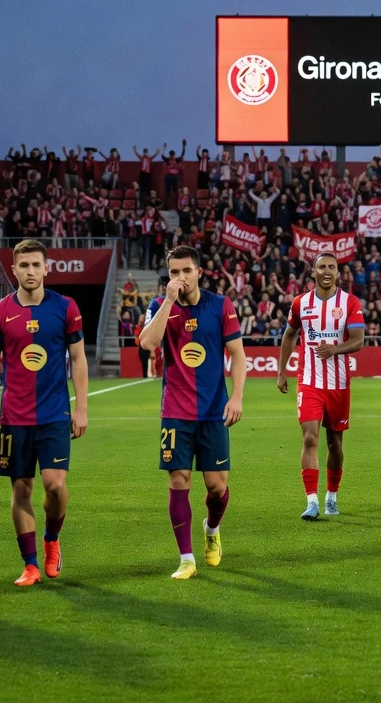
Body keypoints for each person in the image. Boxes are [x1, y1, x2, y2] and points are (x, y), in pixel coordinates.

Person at [0, 240, 90, 587]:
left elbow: (79, 359)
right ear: (14, 270)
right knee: (22, 489)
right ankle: (29, 565)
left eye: (35, 265)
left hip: (55, 413)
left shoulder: (66, 307)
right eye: (23, 265)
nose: (29, 271)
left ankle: (52, 539)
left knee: (55, 486)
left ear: (46, 268)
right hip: (15, 416)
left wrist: (81, 406)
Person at [138, 246, 245, 579]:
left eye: (185, 271)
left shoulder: (220, 305)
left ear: (199, 272)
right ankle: (186, 558)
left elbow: (238, 356)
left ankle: (211, 529)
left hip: (213, 410)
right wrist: (168, 301)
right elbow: (146, 344)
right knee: (179, 479)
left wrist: (237, 397)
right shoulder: (159, 306)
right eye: (173, 272)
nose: (179, 278)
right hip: (175, 410)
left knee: (216, 486)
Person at [277, 254, 365, 521]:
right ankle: (312, 501)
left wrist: (335, 349)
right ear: (313, 272)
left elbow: (359, 341)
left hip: (338, 383)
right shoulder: (300, 303)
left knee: (334, 444)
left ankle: (332, 496)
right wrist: (282, 371)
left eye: (332, 267)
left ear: (338, 273)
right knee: (309, 438)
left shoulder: (350, 302)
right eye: (322, 267)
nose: (327, 272)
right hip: (309, 381)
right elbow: (290, 334)